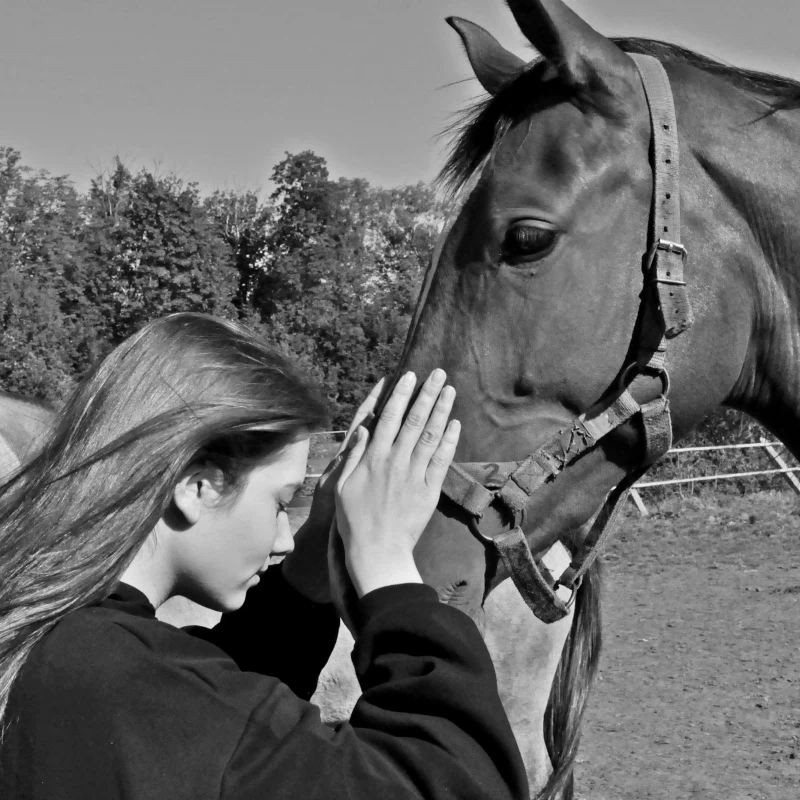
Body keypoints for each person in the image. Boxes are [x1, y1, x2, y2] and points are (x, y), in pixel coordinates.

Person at [0, 313, 528, 800]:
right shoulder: (135, 693)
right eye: (282, 502)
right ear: (198, 486)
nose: (284, 538)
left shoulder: (56, 642)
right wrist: (386, 563)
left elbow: (211, 716)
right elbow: (460, 784)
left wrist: (307, 575)